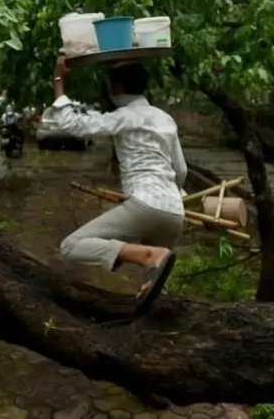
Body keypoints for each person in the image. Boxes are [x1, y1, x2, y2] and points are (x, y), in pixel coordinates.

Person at [46, 55, 187, 312]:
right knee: (157, 282)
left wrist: (58, 80)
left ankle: (148, 255)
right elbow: (181, 170)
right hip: (175, 211)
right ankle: (157, 313)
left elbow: (74, 125)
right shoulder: (166, 119)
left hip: (145, 205)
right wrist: (171, 195)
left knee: (71, 246)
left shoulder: (124, 116)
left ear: (118, 88)